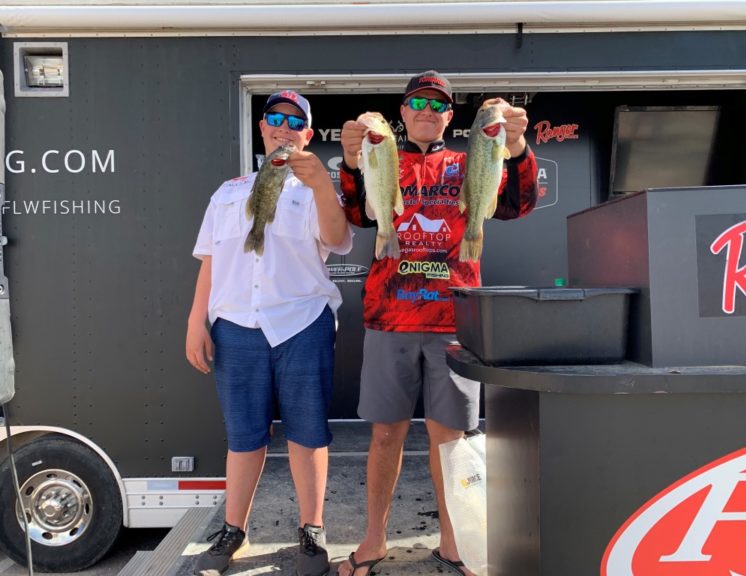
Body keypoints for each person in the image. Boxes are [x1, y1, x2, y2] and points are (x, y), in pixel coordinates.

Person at [336, 71, 539, 576]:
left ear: (451, 117)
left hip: (454, 320)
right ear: (402, 113)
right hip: (390, 316)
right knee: (386, 435)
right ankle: (375, 539)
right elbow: (360, 215)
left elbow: (518, 204)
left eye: (439, 105)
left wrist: (515, 147)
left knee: (450, 438)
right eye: (418, 103)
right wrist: (348, 161)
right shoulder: (382, 155)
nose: (428, 110)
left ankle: (456, 543)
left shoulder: (467, 160)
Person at [186, 90, 352, 576]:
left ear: (307, 133)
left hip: (302, 323)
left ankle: (312, 531)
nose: (284, 126)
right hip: (236, 325)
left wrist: (322, 182)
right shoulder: (228, 191)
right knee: (243, 437)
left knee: (307, 433)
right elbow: (210, 261)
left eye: (295, 121)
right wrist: (197, 321)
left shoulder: (317, 186)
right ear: (262, 128)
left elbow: (340, 239)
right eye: (275, 117)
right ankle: (233, 530)